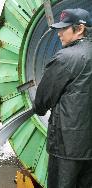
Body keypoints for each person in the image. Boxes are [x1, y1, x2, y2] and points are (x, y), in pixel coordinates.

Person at [34, 8, 92, 188]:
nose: (59, 33)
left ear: (80, 29)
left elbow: (42, 101)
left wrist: (41, 107)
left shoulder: (65, 58)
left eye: (64, 28)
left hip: (67, 146)